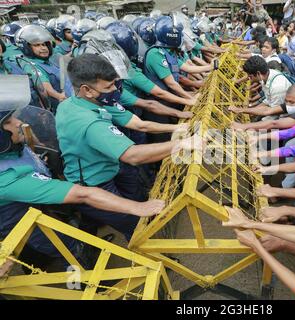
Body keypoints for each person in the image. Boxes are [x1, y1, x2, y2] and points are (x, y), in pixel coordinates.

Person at [0, 75, 165, 267]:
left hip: (35, 205)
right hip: (21, 224)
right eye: (10, 121)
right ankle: (97, 287)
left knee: (77, 230)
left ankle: (88, 250)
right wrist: (137, 207)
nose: (19, 123)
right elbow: (82, 195)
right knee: (66, 247)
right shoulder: (6, 178)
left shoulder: (8, 149)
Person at [55, 54, 200, 240]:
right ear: (87, 90)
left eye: (115, 83)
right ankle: (151, 259)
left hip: (110, 164)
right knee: (134, 223)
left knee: (138, 196)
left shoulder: (91, 101)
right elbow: (133, 156)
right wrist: (182, 144)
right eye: (108, 87)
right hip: (94, 182)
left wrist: (180, 127)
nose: (115, 89)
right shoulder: (88, 121)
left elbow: (140, 125)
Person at [15, 24, 74, 112]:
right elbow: (44, 86)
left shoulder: (48, 61)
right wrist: (59, 96)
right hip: (65, 107)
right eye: (37, 45)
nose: (43, 48)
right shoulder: (31, 65)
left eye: (44, 44)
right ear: (26, 47)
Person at [231, 83, 295, 132]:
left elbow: (274, 124)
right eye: (286, 101)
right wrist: (241, 110)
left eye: (291, 102)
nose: (288, 104)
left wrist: (244, 126)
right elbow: (267, 110)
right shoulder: (293, 105)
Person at [241, 56, 291, 120]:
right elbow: (268, 100)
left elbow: (274, 113)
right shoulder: (266, 76)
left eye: (250, 76)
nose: (250, 80)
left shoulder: (277, 87)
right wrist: (251, 110)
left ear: (258, 73)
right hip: (273, 108)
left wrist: (246, 111)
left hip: (283, 117)